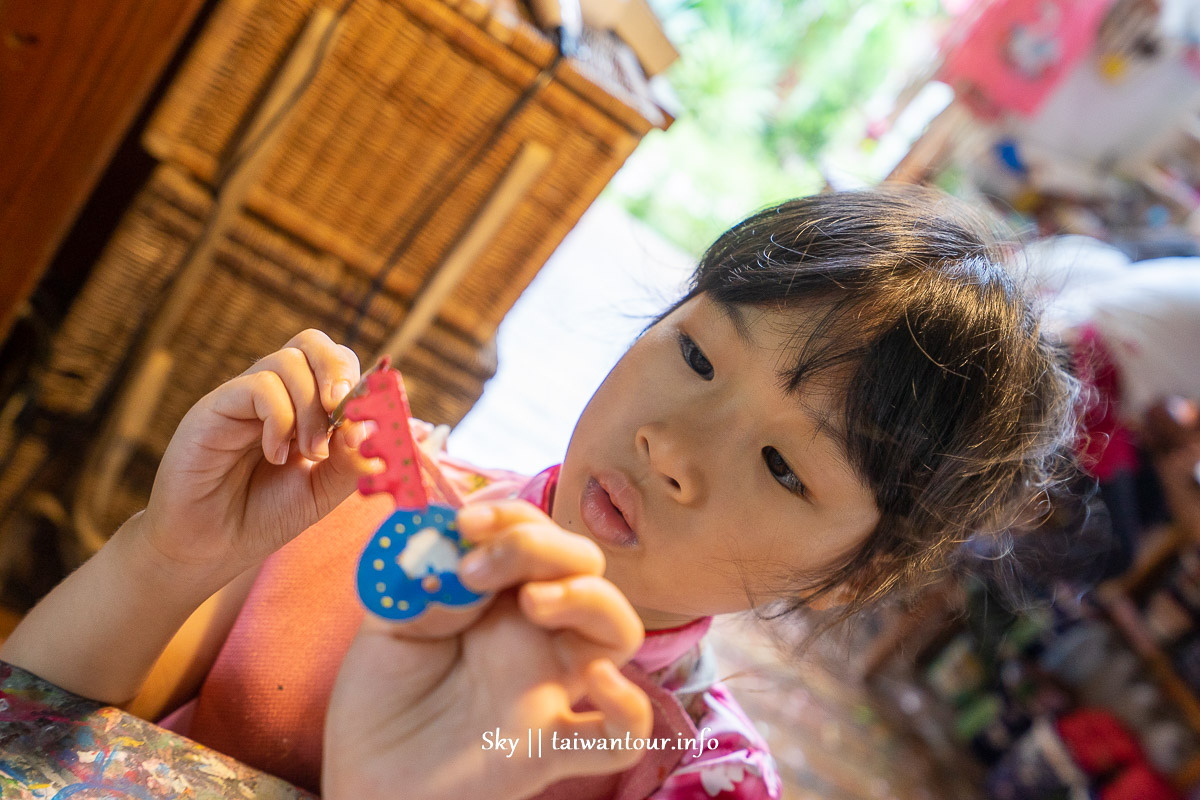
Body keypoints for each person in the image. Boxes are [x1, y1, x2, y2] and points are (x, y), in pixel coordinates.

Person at [0, 186, 1080, 799]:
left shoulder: (690, 777)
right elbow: (31, 733)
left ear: (859, 575)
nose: (674, 446)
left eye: (788, 466)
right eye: (700, 357)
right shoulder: (357, 500)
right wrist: (164, 553)